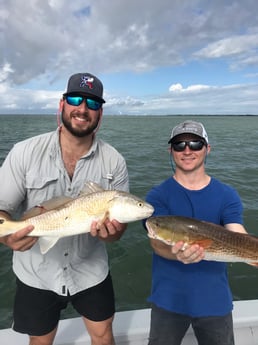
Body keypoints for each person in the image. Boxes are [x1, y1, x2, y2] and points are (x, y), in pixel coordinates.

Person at [0, 72, 129, 345]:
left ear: (100, 114)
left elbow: (119, 230)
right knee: (40, 340)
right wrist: (6, 234)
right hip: (37, 273)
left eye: (92, 104)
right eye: (75, 99)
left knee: (104, 334)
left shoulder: (114, 161)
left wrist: (113, 233)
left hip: (91, 270)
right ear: (62, 105)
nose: (82, 109)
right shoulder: (24, 152)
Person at [145, 120, 247, 345]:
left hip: (215, 300)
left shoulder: (227, 195)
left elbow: (237, 232)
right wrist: (177, 254)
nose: (187, 150)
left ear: (207, 148)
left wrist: (251, 250)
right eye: (179, 145)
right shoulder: (157, 196)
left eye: (195, 144)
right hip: (168, 300)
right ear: (171, 151)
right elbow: (157, 242)